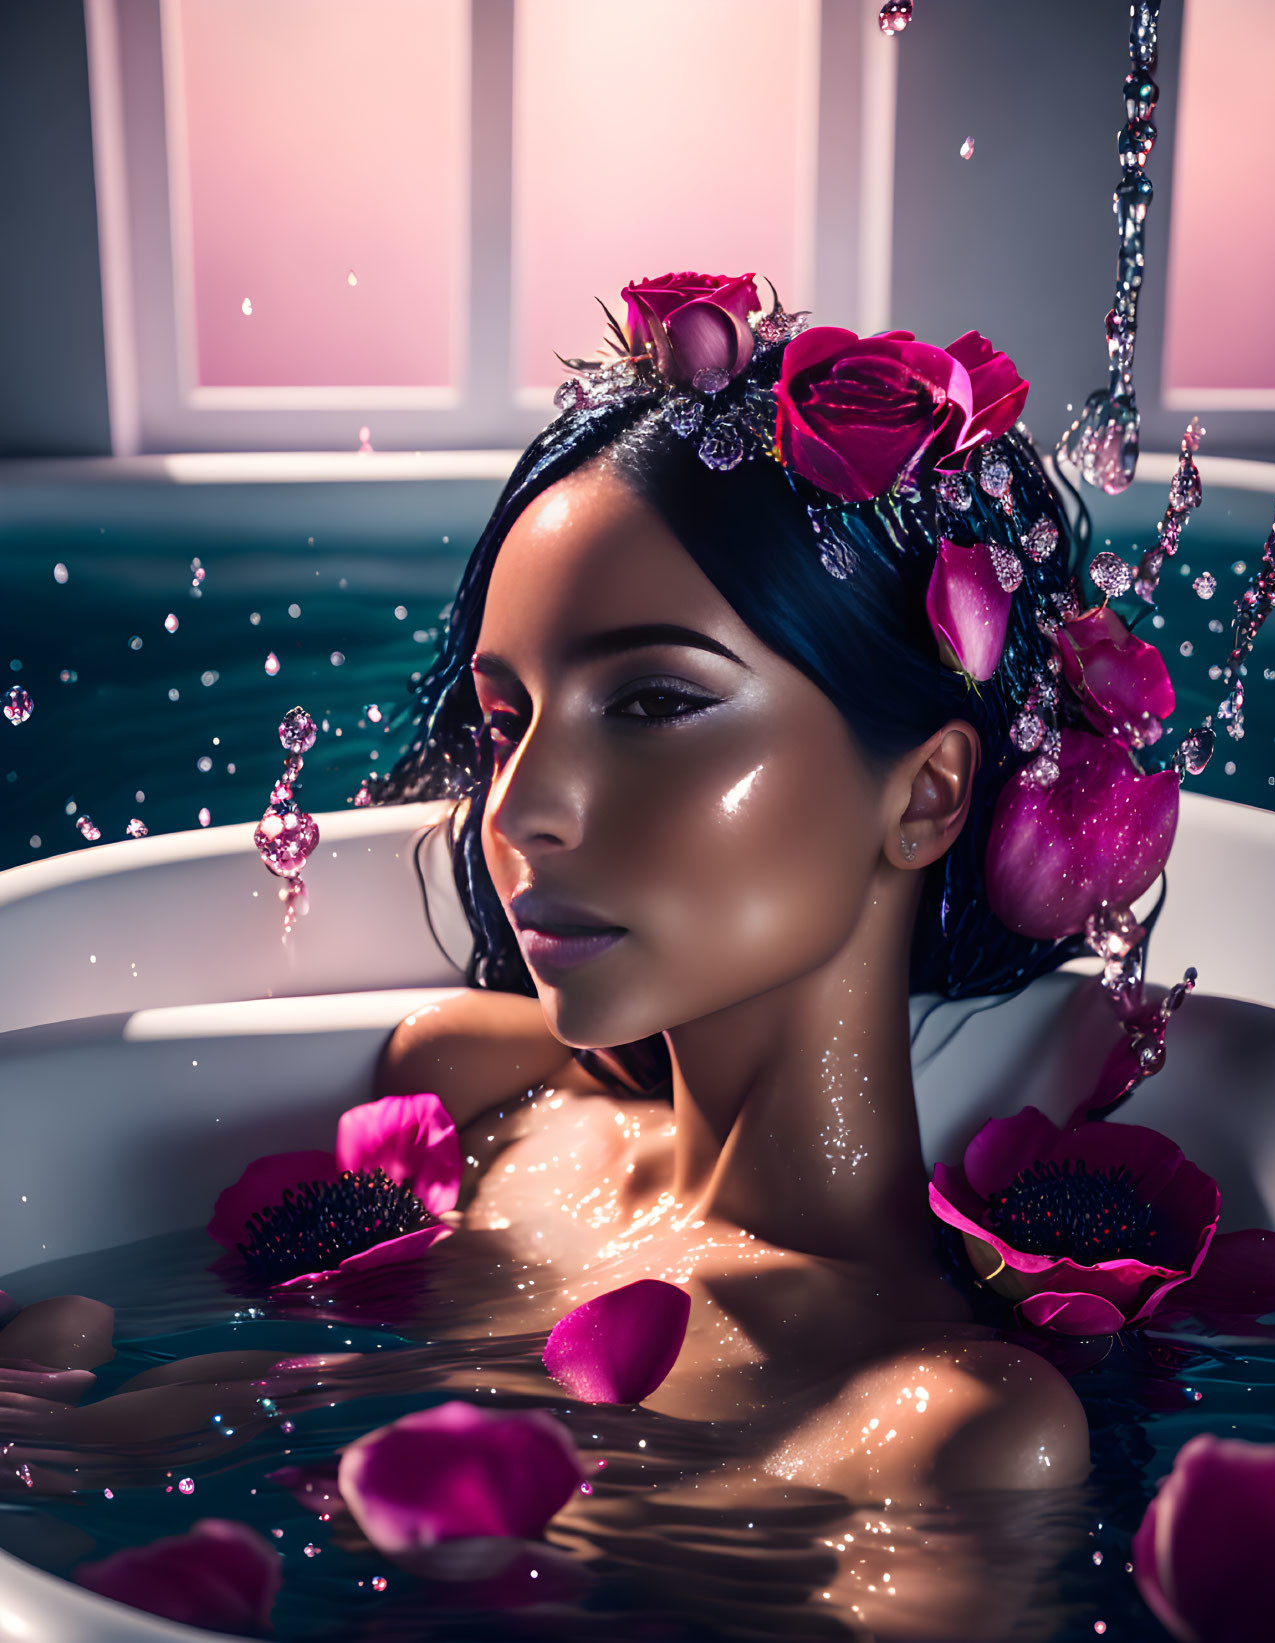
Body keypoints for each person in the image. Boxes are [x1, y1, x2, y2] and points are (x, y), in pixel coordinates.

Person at [373, 271, 1108, 1509]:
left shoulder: (947, 1433)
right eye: (507, 722)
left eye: (655, 701)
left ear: (925, 796)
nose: (516, 807)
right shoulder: (478, 1101)